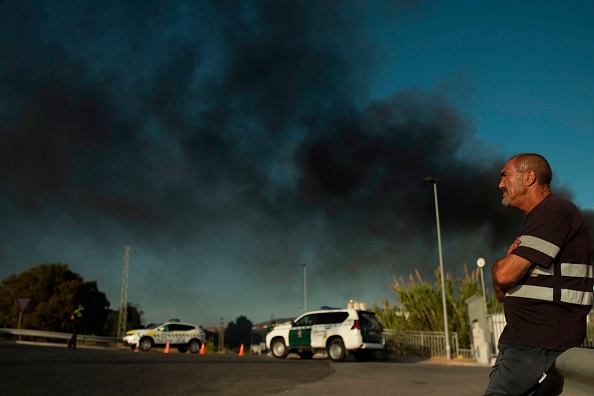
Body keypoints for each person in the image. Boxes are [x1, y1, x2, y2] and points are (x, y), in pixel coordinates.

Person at [484, 153, 592, 396]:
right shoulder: (540, 218)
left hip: (537, 341)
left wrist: (498, 267)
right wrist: (502, 272)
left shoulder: (554, 212)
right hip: (528, 340)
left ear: (530, 177)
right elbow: (501, 292)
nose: (501, 184)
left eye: (505, 175)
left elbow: (503, 276)